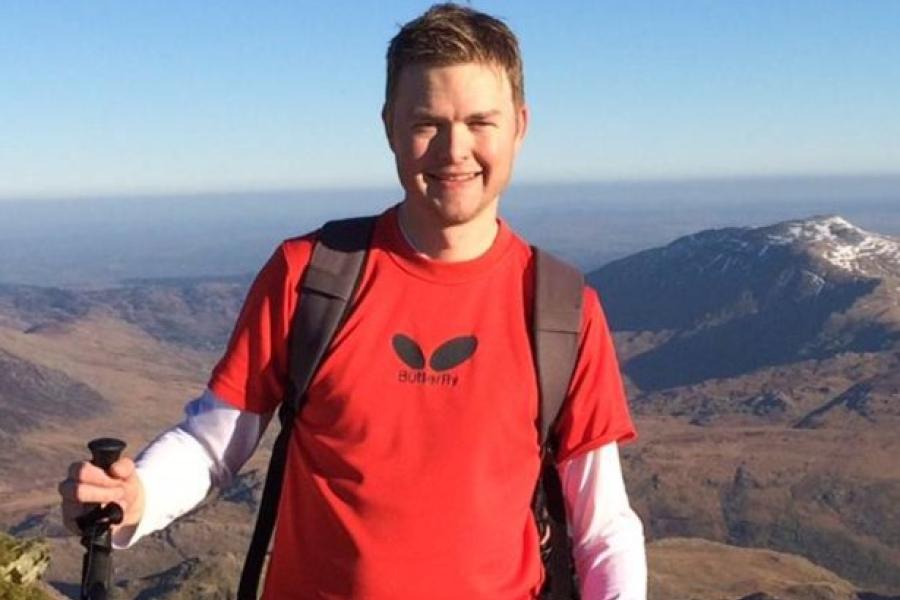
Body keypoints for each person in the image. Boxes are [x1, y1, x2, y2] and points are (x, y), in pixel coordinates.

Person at [58, 4, 647, 598]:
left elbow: (602, 527)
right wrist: (136, 499)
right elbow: (213, 443)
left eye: (479, 122)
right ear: (389, 125)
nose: (453, 148)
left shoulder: (560, 309)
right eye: (427, 122)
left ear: (519, 126)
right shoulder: (309, 275)